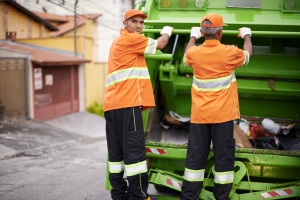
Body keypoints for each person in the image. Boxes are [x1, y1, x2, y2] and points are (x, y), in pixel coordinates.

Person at [180, 13, 252, 200]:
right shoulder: (229, 52)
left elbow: (186, 55)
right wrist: (246, 35)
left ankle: (189, 197)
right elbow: (247, 55)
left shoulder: (194, 53)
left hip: (200, 117)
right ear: (219, 32)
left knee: (195, 160)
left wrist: (193, 37)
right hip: (223, 117)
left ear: (203, 32)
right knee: (223, 161)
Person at [103, 9, 173, 200]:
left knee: (116, 154)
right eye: (134, 21)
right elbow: (161, 44)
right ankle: (139, 196)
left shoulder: (118, 42)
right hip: (127, 103)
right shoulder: (131, 39)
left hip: (112, 106)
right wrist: (167, 31)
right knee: (134, 153)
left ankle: (118, 195)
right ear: (124, 23)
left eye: (141, 23)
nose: (138, 26)